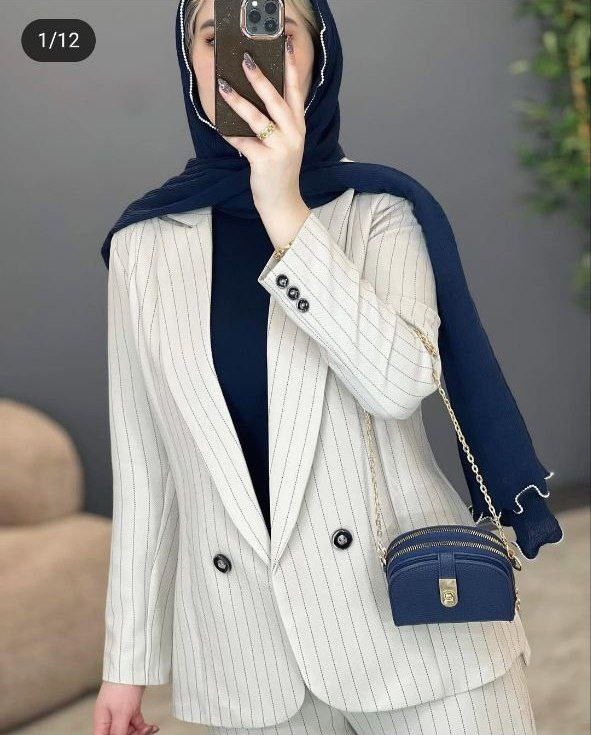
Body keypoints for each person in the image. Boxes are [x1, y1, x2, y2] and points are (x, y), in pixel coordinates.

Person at [93, 1, 563, 733]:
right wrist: (125, 666)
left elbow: (397, 383)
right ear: (190, 63)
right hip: (249, 657)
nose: (244, 56)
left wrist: (284, 207)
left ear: (319, 57)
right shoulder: (142, 246)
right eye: (214, 36)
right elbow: (146, 469)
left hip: (418, 630)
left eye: (275, 31)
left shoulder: (380, 211)